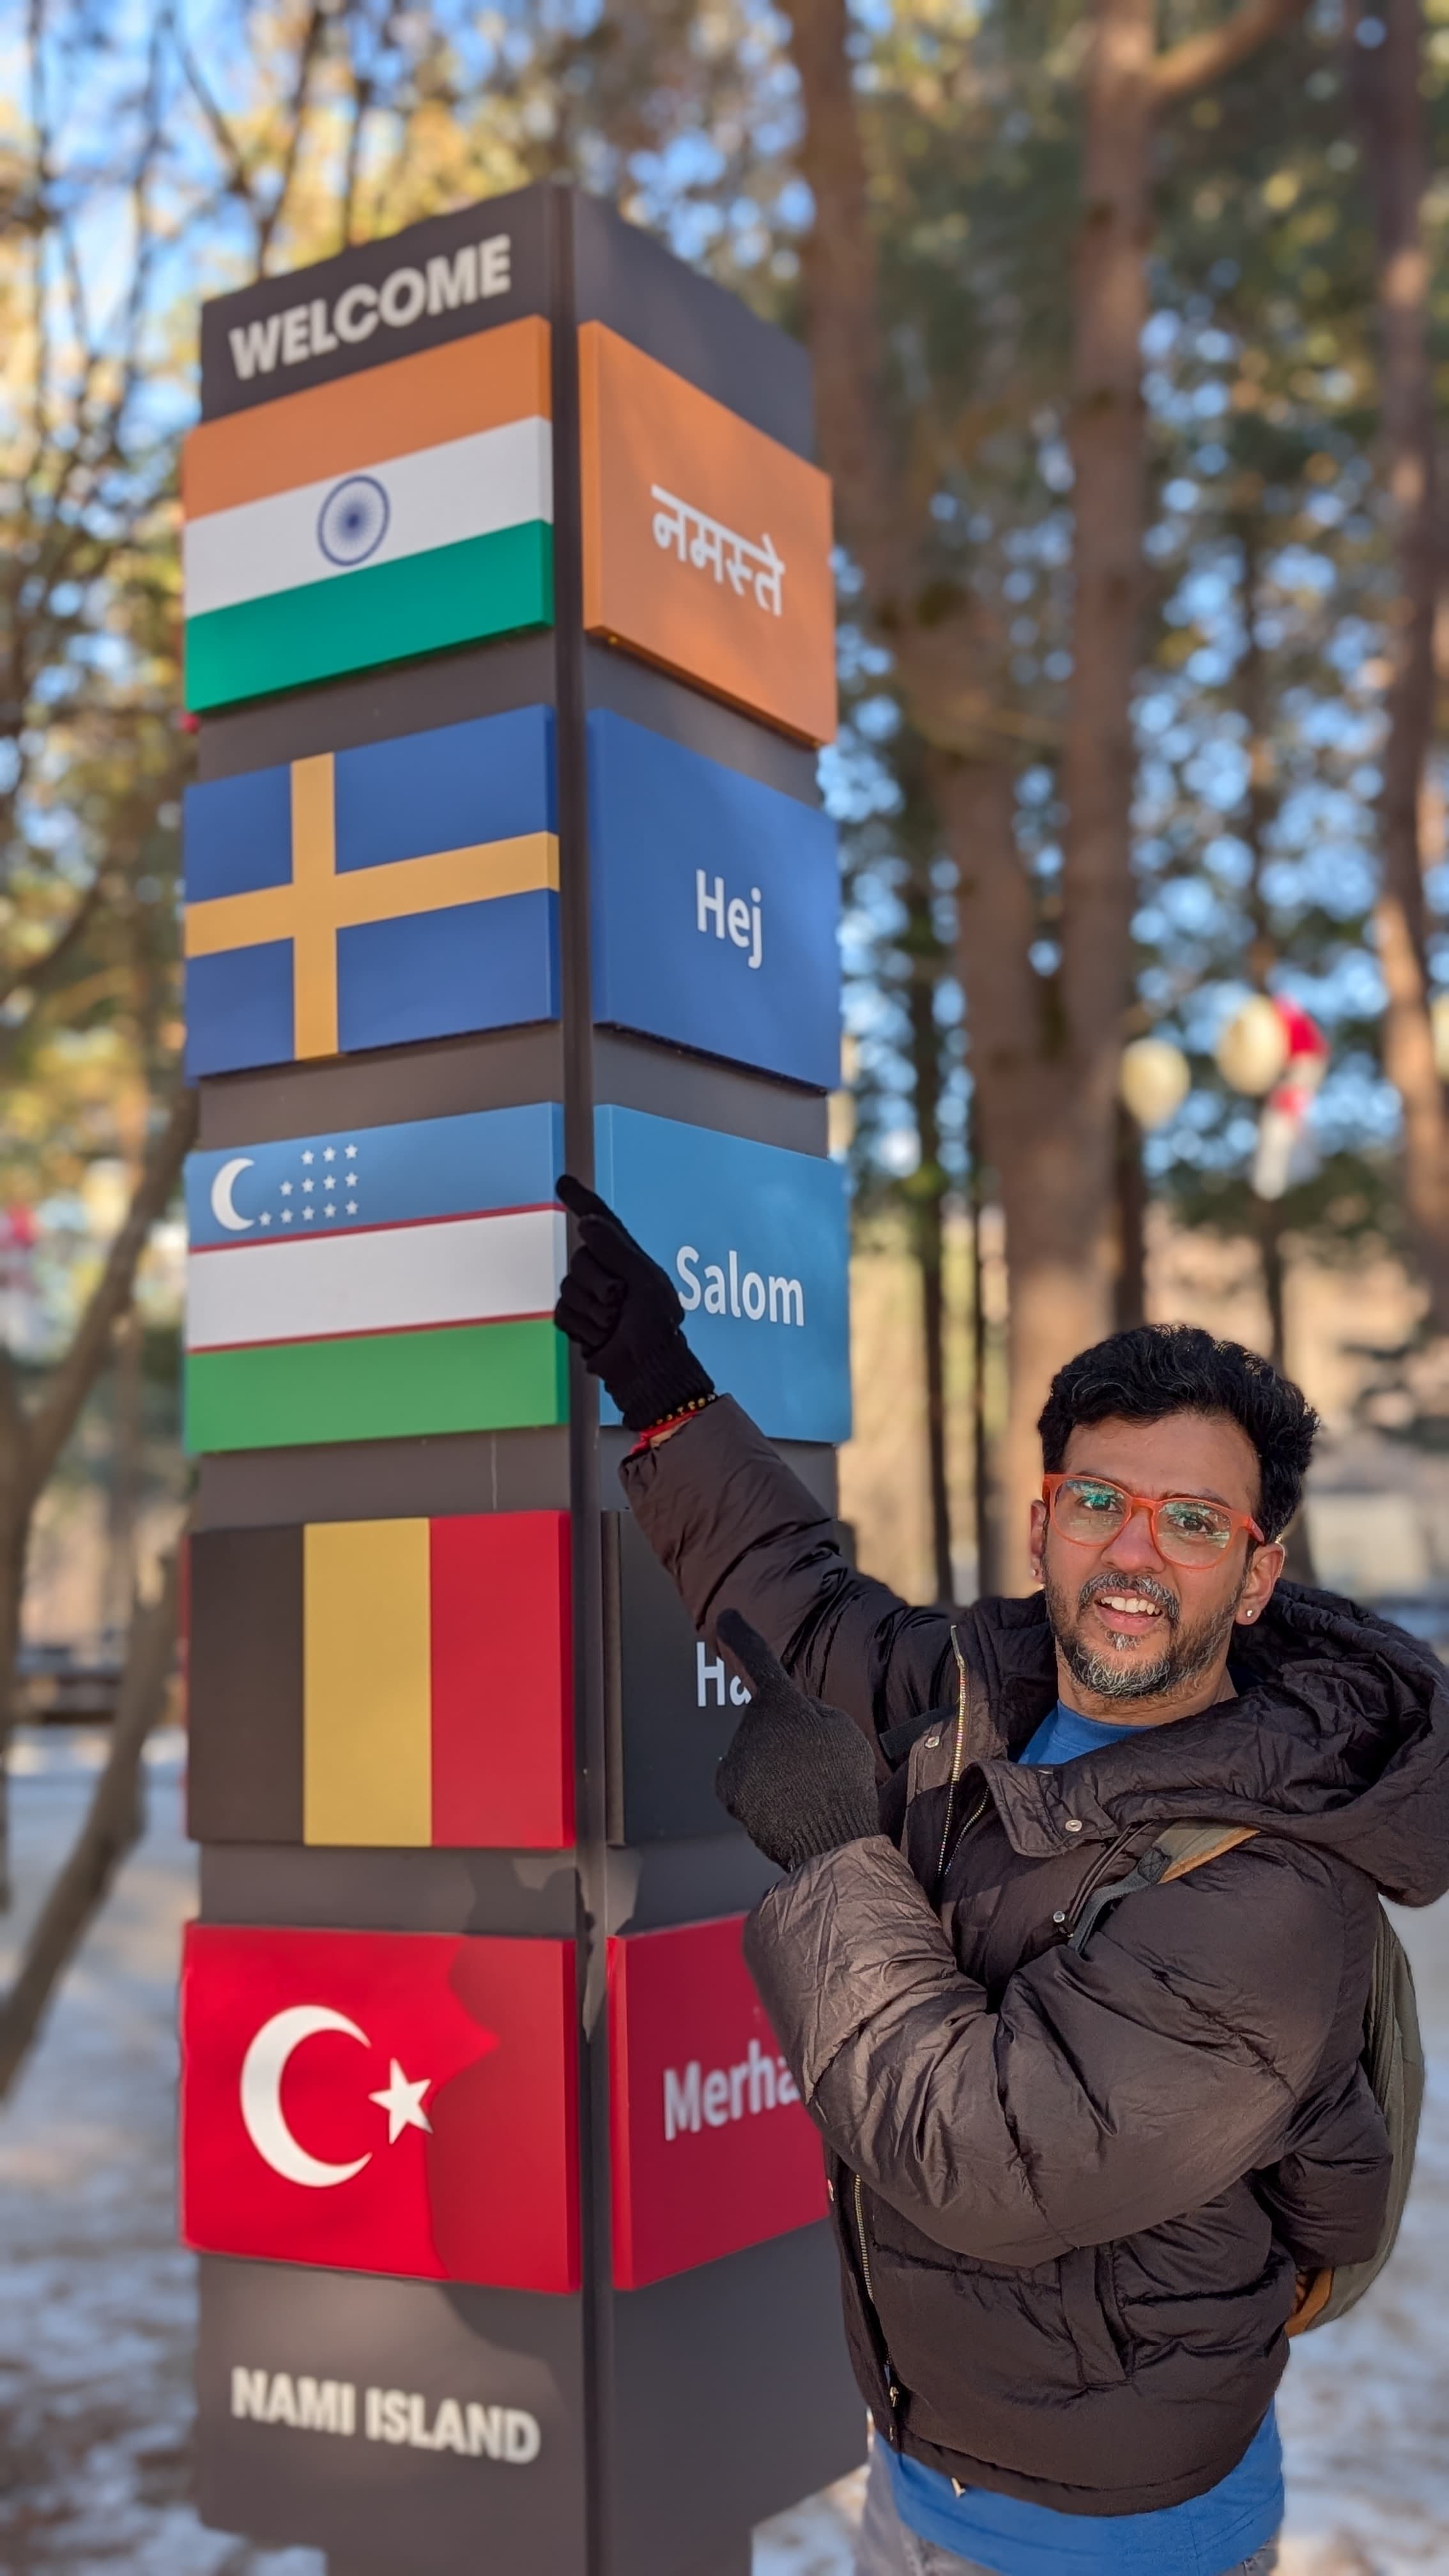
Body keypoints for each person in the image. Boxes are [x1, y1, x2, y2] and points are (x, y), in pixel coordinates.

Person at [553, 1176, 1449, 2576]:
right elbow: (804, 1607)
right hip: (919, 2473)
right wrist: (665, 1393)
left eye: (1193, 1521)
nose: (1135, 1550)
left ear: (1259, 1572)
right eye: (1100, 1499)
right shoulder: (981, 1687)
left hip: (1120, 2540)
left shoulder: (1278, 1892)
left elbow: (978, 2157)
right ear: (1045, 1523)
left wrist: (834, 1858)